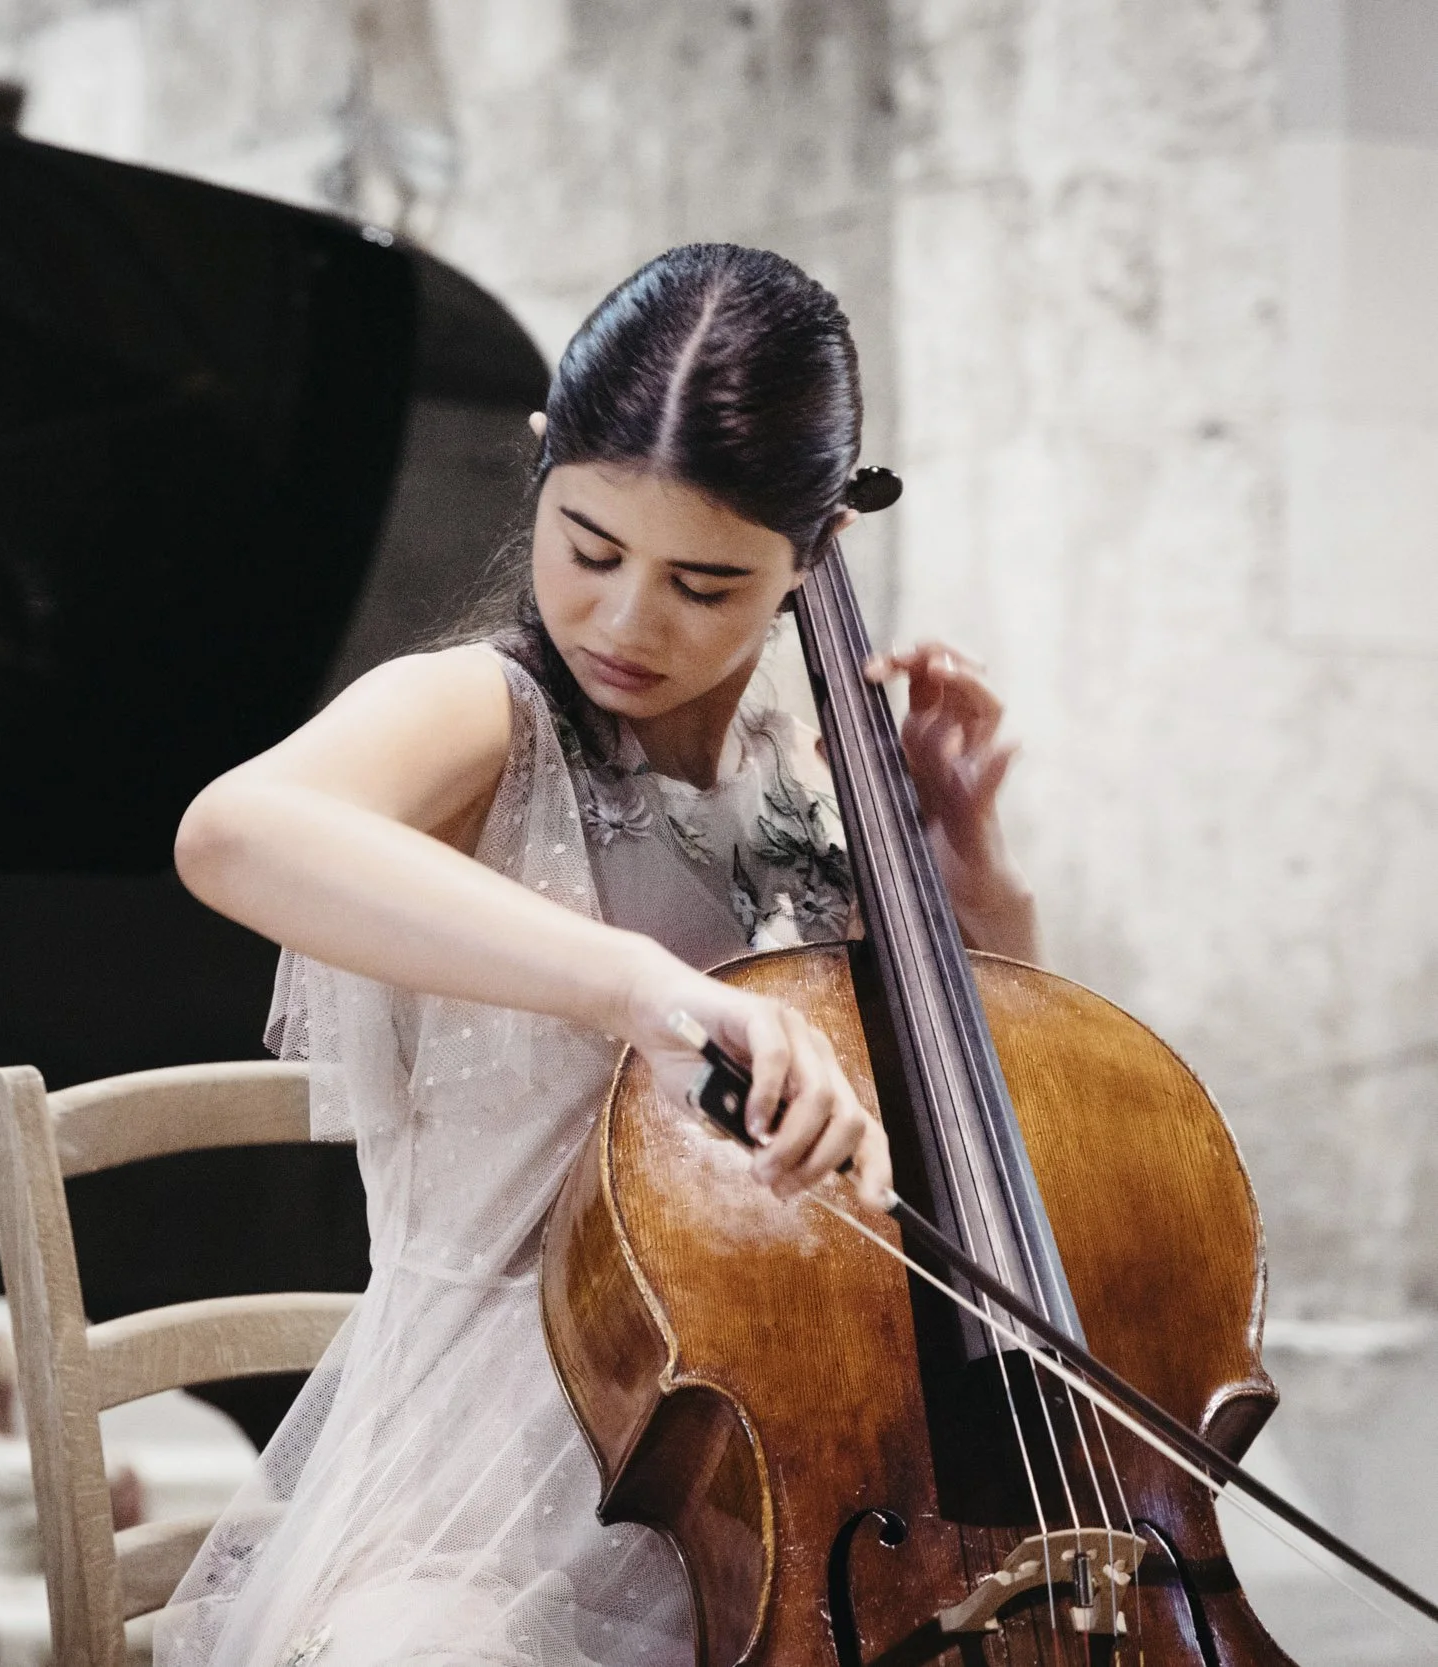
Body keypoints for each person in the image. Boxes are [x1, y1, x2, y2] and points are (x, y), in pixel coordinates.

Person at [156, 244, 1038, 1667]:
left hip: (796, 1466)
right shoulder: (480, 717)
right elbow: (232, 835)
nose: (629, 621)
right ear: (542, 471)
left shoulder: (813, 771)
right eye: (591, 547)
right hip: (488, 1488)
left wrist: (971, 867)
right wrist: (639, 983)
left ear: (814, 556)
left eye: (704, 581)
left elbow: (998, 1097)